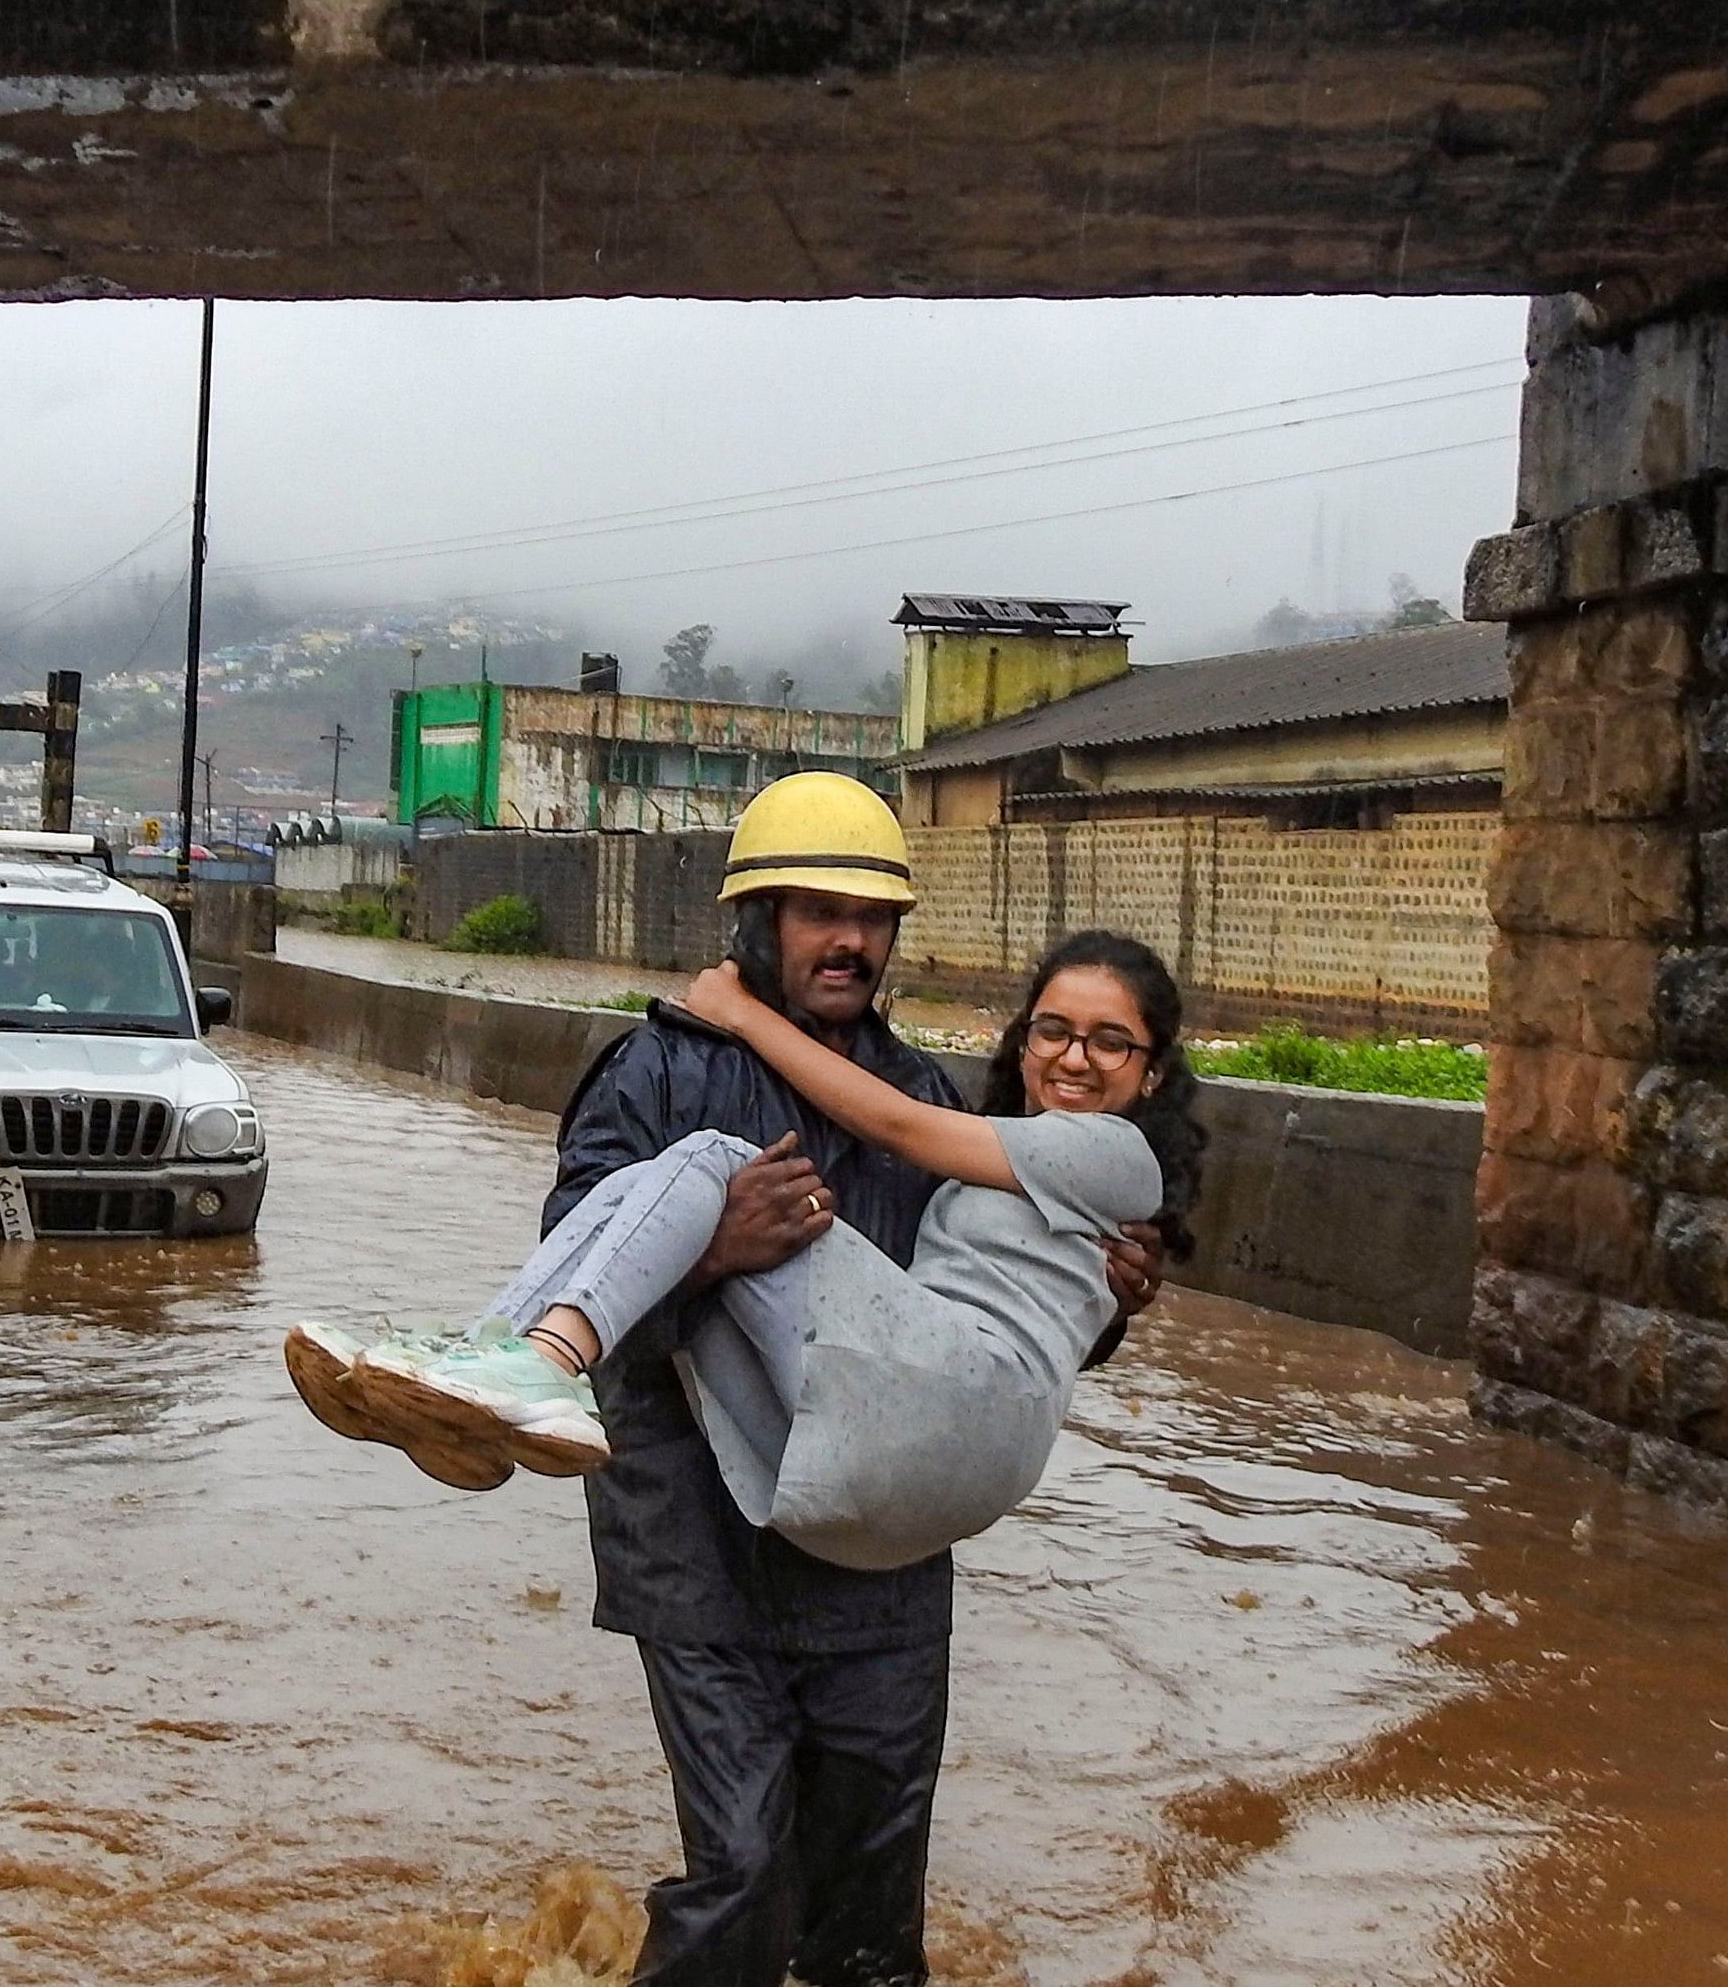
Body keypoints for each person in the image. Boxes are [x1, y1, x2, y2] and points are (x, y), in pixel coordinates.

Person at [299, 773, 1166, 1987]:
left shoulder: (921, 1097)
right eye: (816, 910)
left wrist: (1106, 1302)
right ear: (754, 921)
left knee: (869, 1915)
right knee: (747, 1866)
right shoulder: (655, 1073)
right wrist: (713, 1251)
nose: (849, 939)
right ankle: (491, 1379)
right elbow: (577, 1249)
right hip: (698, 1535)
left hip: (872, 1546)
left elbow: (971, 1332)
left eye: (870, 918)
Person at [287, 934, 1204, 1575]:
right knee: (648, 1192)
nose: (1076, 1057)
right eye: (1053, 1029)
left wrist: (738, 1011)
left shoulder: (1115, 1150)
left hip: (968, 1399)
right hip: (916, 1472)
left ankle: (542, 1359)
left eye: (1111, 1040)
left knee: (719, 1159)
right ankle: (477, 1388)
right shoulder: (1028, 1160)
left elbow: (892, 1120)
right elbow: (1049, 1293)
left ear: (1152, 1072)